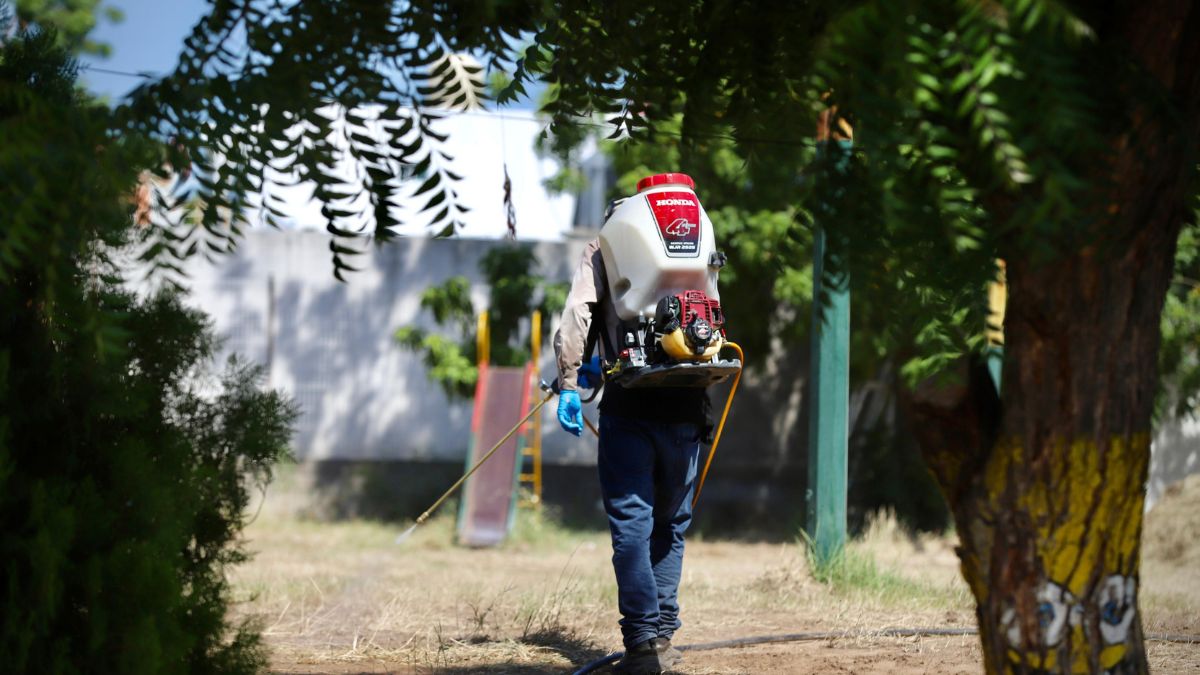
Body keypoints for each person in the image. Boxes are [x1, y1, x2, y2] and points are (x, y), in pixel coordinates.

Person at [554, 238, 710, 674]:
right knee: (671, 526)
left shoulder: (606, 243)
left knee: (632, 527)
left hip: (630, 407)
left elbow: (580, 312)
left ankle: (643, 645)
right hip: (688, 405)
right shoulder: (694, 235)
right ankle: (661, 637)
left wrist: (569, 381)